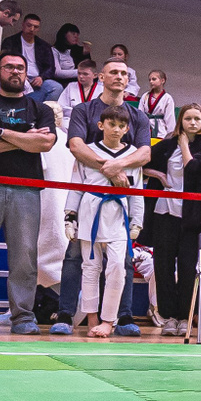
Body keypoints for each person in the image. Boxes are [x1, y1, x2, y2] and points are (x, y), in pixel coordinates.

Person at [0, 52, 58, 335]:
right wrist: (27, 138)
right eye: (9, 67)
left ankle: (23, 317)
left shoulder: (41, 109)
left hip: (27, 189)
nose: (15, 71)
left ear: (26, 73)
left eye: (20, 68)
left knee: (25, 257)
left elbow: (45, 144)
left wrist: (0, 132)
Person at [60, 60, 151, 335]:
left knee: (120, 265)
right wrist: (70, 216)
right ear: (101, 76)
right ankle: (68, 314)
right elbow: (76, 147)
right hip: (90, 202)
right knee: (81, 262)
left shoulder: (137, 116)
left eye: (124, 73)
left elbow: (144, 154)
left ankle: (118, 318)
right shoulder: (84, 110)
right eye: (113, 72)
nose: (119, 77)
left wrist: (136, 219)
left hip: (119, 208)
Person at [143, 104, 201, 337]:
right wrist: (157, 174)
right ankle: (168, 317)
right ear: (180, 121)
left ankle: (185, 317)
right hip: (164, 213)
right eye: (188, 118)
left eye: (197, 119)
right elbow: (141, 162)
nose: (192, 123)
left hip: (191, 218)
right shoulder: (165, 146)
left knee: (187, 268)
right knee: (163, 266)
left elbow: (193, 168)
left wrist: (184, 144)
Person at [0, 14, 68, 102]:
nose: (32, 29)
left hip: (37, 80)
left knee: (56, 87)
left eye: (35, 27)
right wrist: (21, 74)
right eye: (29, 25)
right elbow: (4, 61)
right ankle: (28, 104)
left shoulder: (44, 46)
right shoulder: (10, 42)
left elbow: (50, 67)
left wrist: (41, 77)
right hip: (17, 75)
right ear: (23, 25)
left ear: (38, 29)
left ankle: (35, 107)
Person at [55, 58, 101, 122]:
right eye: (79, 73)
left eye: (85, 74)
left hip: (93, 121)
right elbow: (61, 106)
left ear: (95, 75)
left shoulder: (101, 89)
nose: (81, 76)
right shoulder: (71, 86)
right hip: (72, 119)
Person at [140, 72, 176, 141]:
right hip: (145, 129)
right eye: (149, 80)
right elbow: (140, 114)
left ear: (162, 80)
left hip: (160, 131)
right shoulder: (145, 96)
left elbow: (170, 118)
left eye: (154, 79)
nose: (151, 82)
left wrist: (171, 136)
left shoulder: (167, 98)